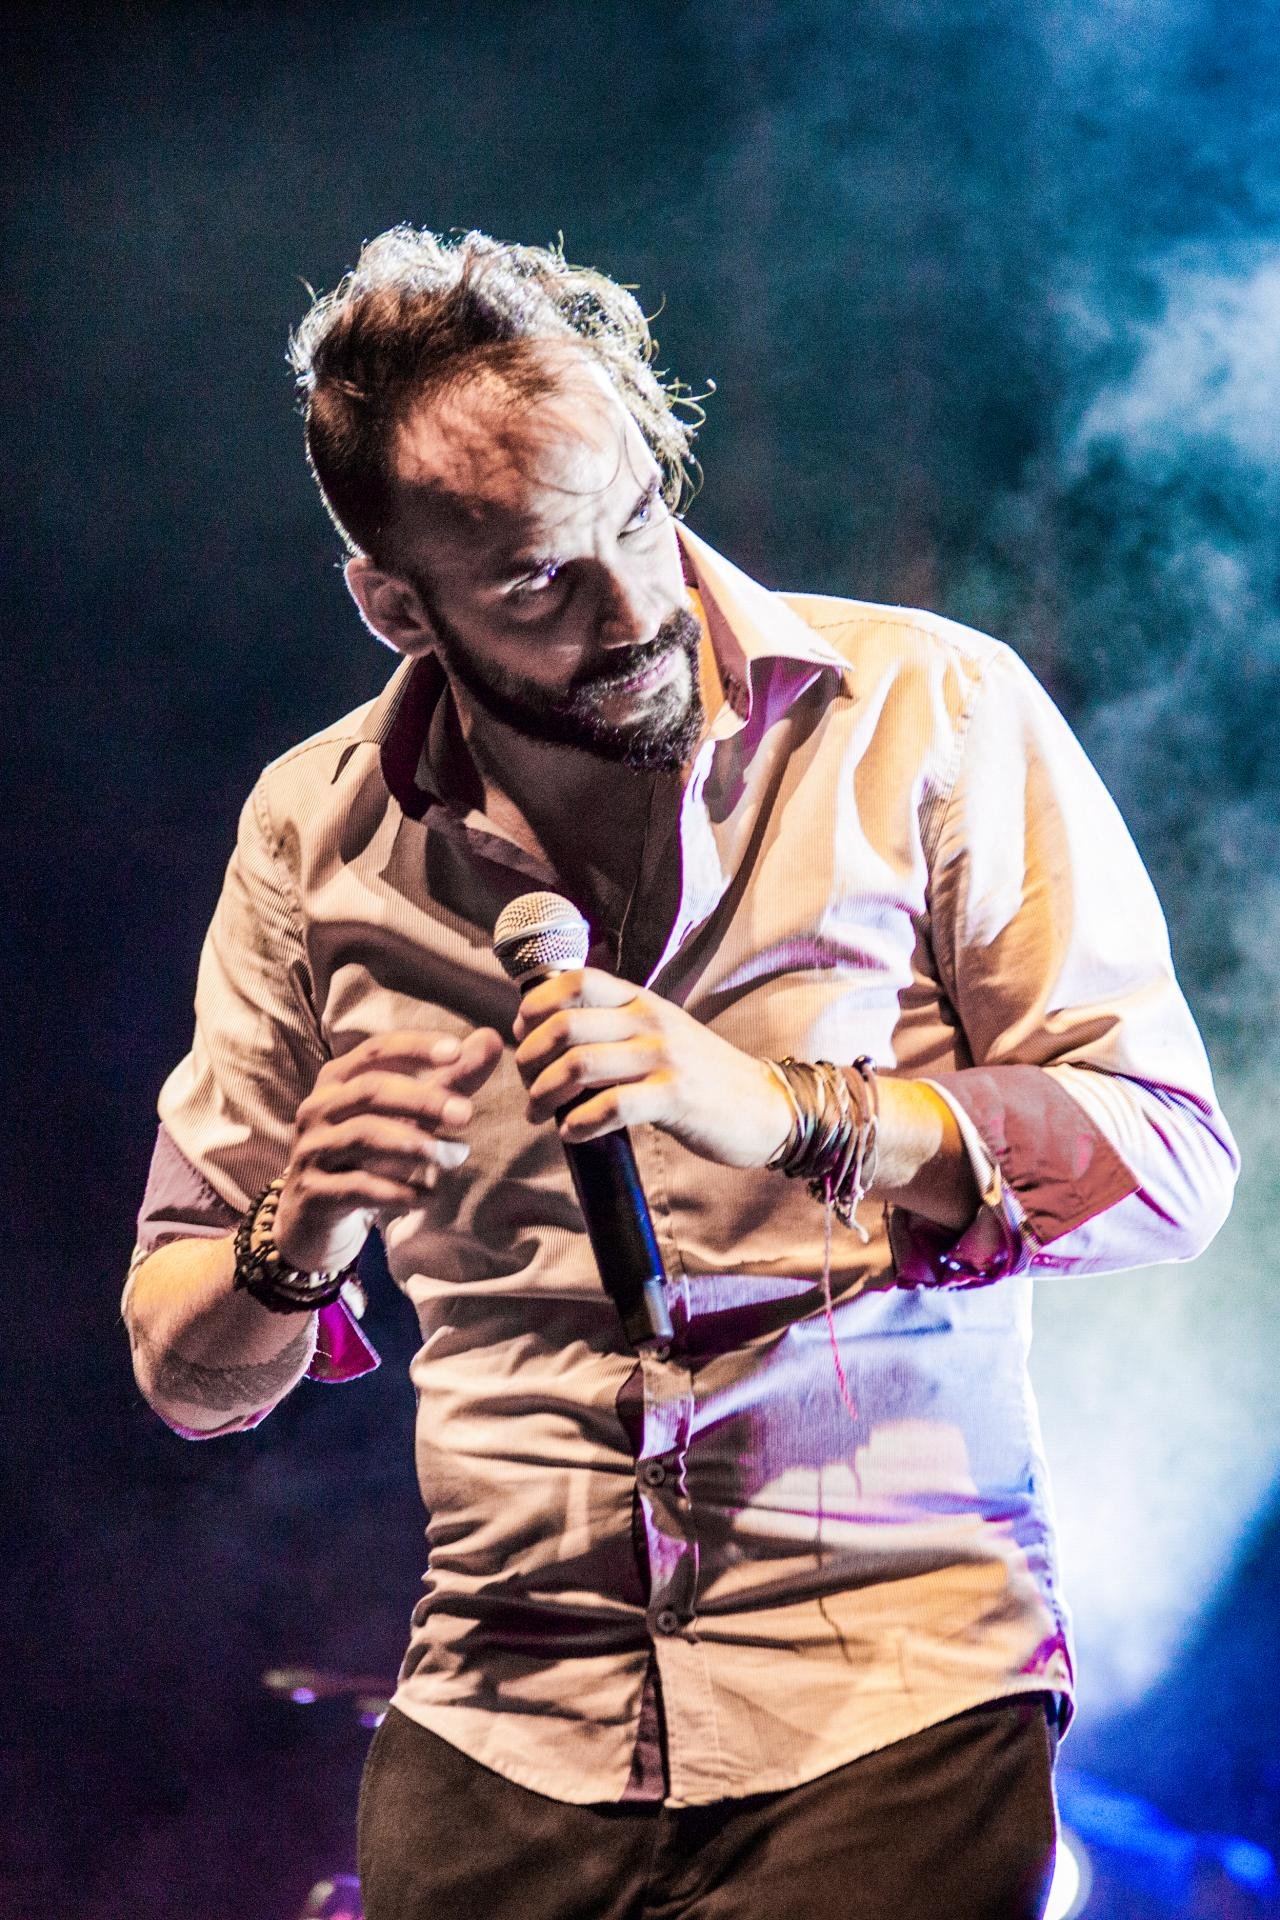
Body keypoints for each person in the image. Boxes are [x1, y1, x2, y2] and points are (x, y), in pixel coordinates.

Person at [123, 228, 1238, 1920]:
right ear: (395, 606)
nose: (637, 607)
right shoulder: (309, 831)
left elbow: (1170, 1165)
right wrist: (296, 1234)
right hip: (499, 1726)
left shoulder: (930, 714)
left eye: (642, 514)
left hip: (895, 1698)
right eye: (536, 583)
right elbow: (186, 1369)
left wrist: (798, 1113)